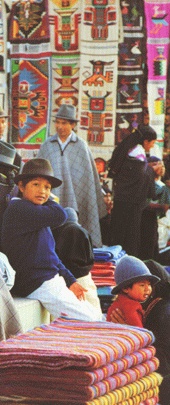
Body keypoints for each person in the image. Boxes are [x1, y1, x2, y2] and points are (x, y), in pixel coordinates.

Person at [1, 158, 103, 322]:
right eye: (36, 184)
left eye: (47, 187)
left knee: (92, 314)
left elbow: (51, 256)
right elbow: (60, 215)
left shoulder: (36, 213)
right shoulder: (19, 209)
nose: (42, 191)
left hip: (47, 280)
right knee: (90, 319)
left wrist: (70, 280)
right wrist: (48, 197)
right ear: (21, 186)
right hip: (36, 282)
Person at [37, 104, 107, 247]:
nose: (59, 126)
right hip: (53, 196)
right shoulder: (47, 145)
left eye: (64, 123)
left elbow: (89, 178)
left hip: (78, 198)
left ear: (73, 125)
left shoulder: (81, 146)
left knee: (76, 232)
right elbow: (39, 171)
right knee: (53, 231)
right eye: (57, 122)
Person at [108, 258, 170, 405]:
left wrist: (128, 329)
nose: (146, 290)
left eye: (148, 285)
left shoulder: (161, 311)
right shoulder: (142, 305)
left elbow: (150, 346)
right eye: (142, 285)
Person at [108, 124, 158, 256]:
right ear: (145, 141)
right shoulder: (138, 152)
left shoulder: (130, 149)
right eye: (152, 142)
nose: (152, 146)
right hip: (131, 205)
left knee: (118, 236)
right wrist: (151, 170)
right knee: (130, 239)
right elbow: (142, 175)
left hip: (122, 201)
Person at [52, 207, 102, 317]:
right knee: (94, 317)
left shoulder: (55, 235)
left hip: (64, 280)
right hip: (84, 279)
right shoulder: (82, 232)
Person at [107, 255, 159, 327]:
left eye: (149, 284)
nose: (148, 289)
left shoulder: (120, 301)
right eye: (142, 285)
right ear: (125, 288)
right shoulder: (130, 306)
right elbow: (140, 332)